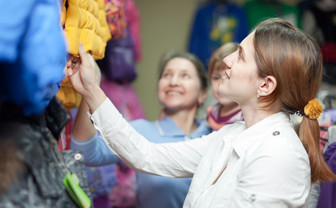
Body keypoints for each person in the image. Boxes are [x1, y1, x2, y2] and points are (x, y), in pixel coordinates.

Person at [67, 18, 336, 207]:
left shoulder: (279, 155)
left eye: (240, 55)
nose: (227, 61)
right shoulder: (229, 136)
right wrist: (91, 90)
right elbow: (147, 156)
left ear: (265, 85)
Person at [70, 50, 211, 208]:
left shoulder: (216, 134)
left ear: (203, 93)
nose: (173, 82)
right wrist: (88, 91)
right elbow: (85, 154)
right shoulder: (141, 130)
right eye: (167, 75)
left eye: (185, 75)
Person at [206, 42, 243, 130]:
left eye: (228, 76)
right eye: (216, 78)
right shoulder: (213, 111)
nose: (221, 83)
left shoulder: (244, 116)